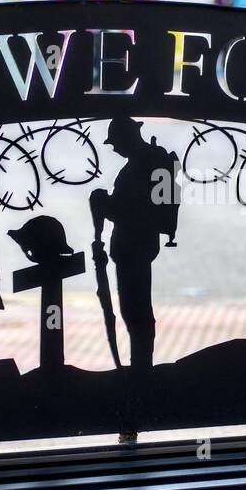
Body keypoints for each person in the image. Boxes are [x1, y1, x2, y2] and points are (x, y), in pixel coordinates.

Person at [90, 116, 169, 369]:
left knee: (135, 310)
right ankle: (141, 363)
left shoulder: (139, 166)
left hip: (133, 245)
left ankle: (141, 366)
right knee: (135, 309)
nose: (114, 148)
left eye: (115, 143)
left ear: (127, 138)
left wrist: (102, 203)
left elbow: (132, 211)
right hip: (138, 245)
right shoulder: (144, 162)